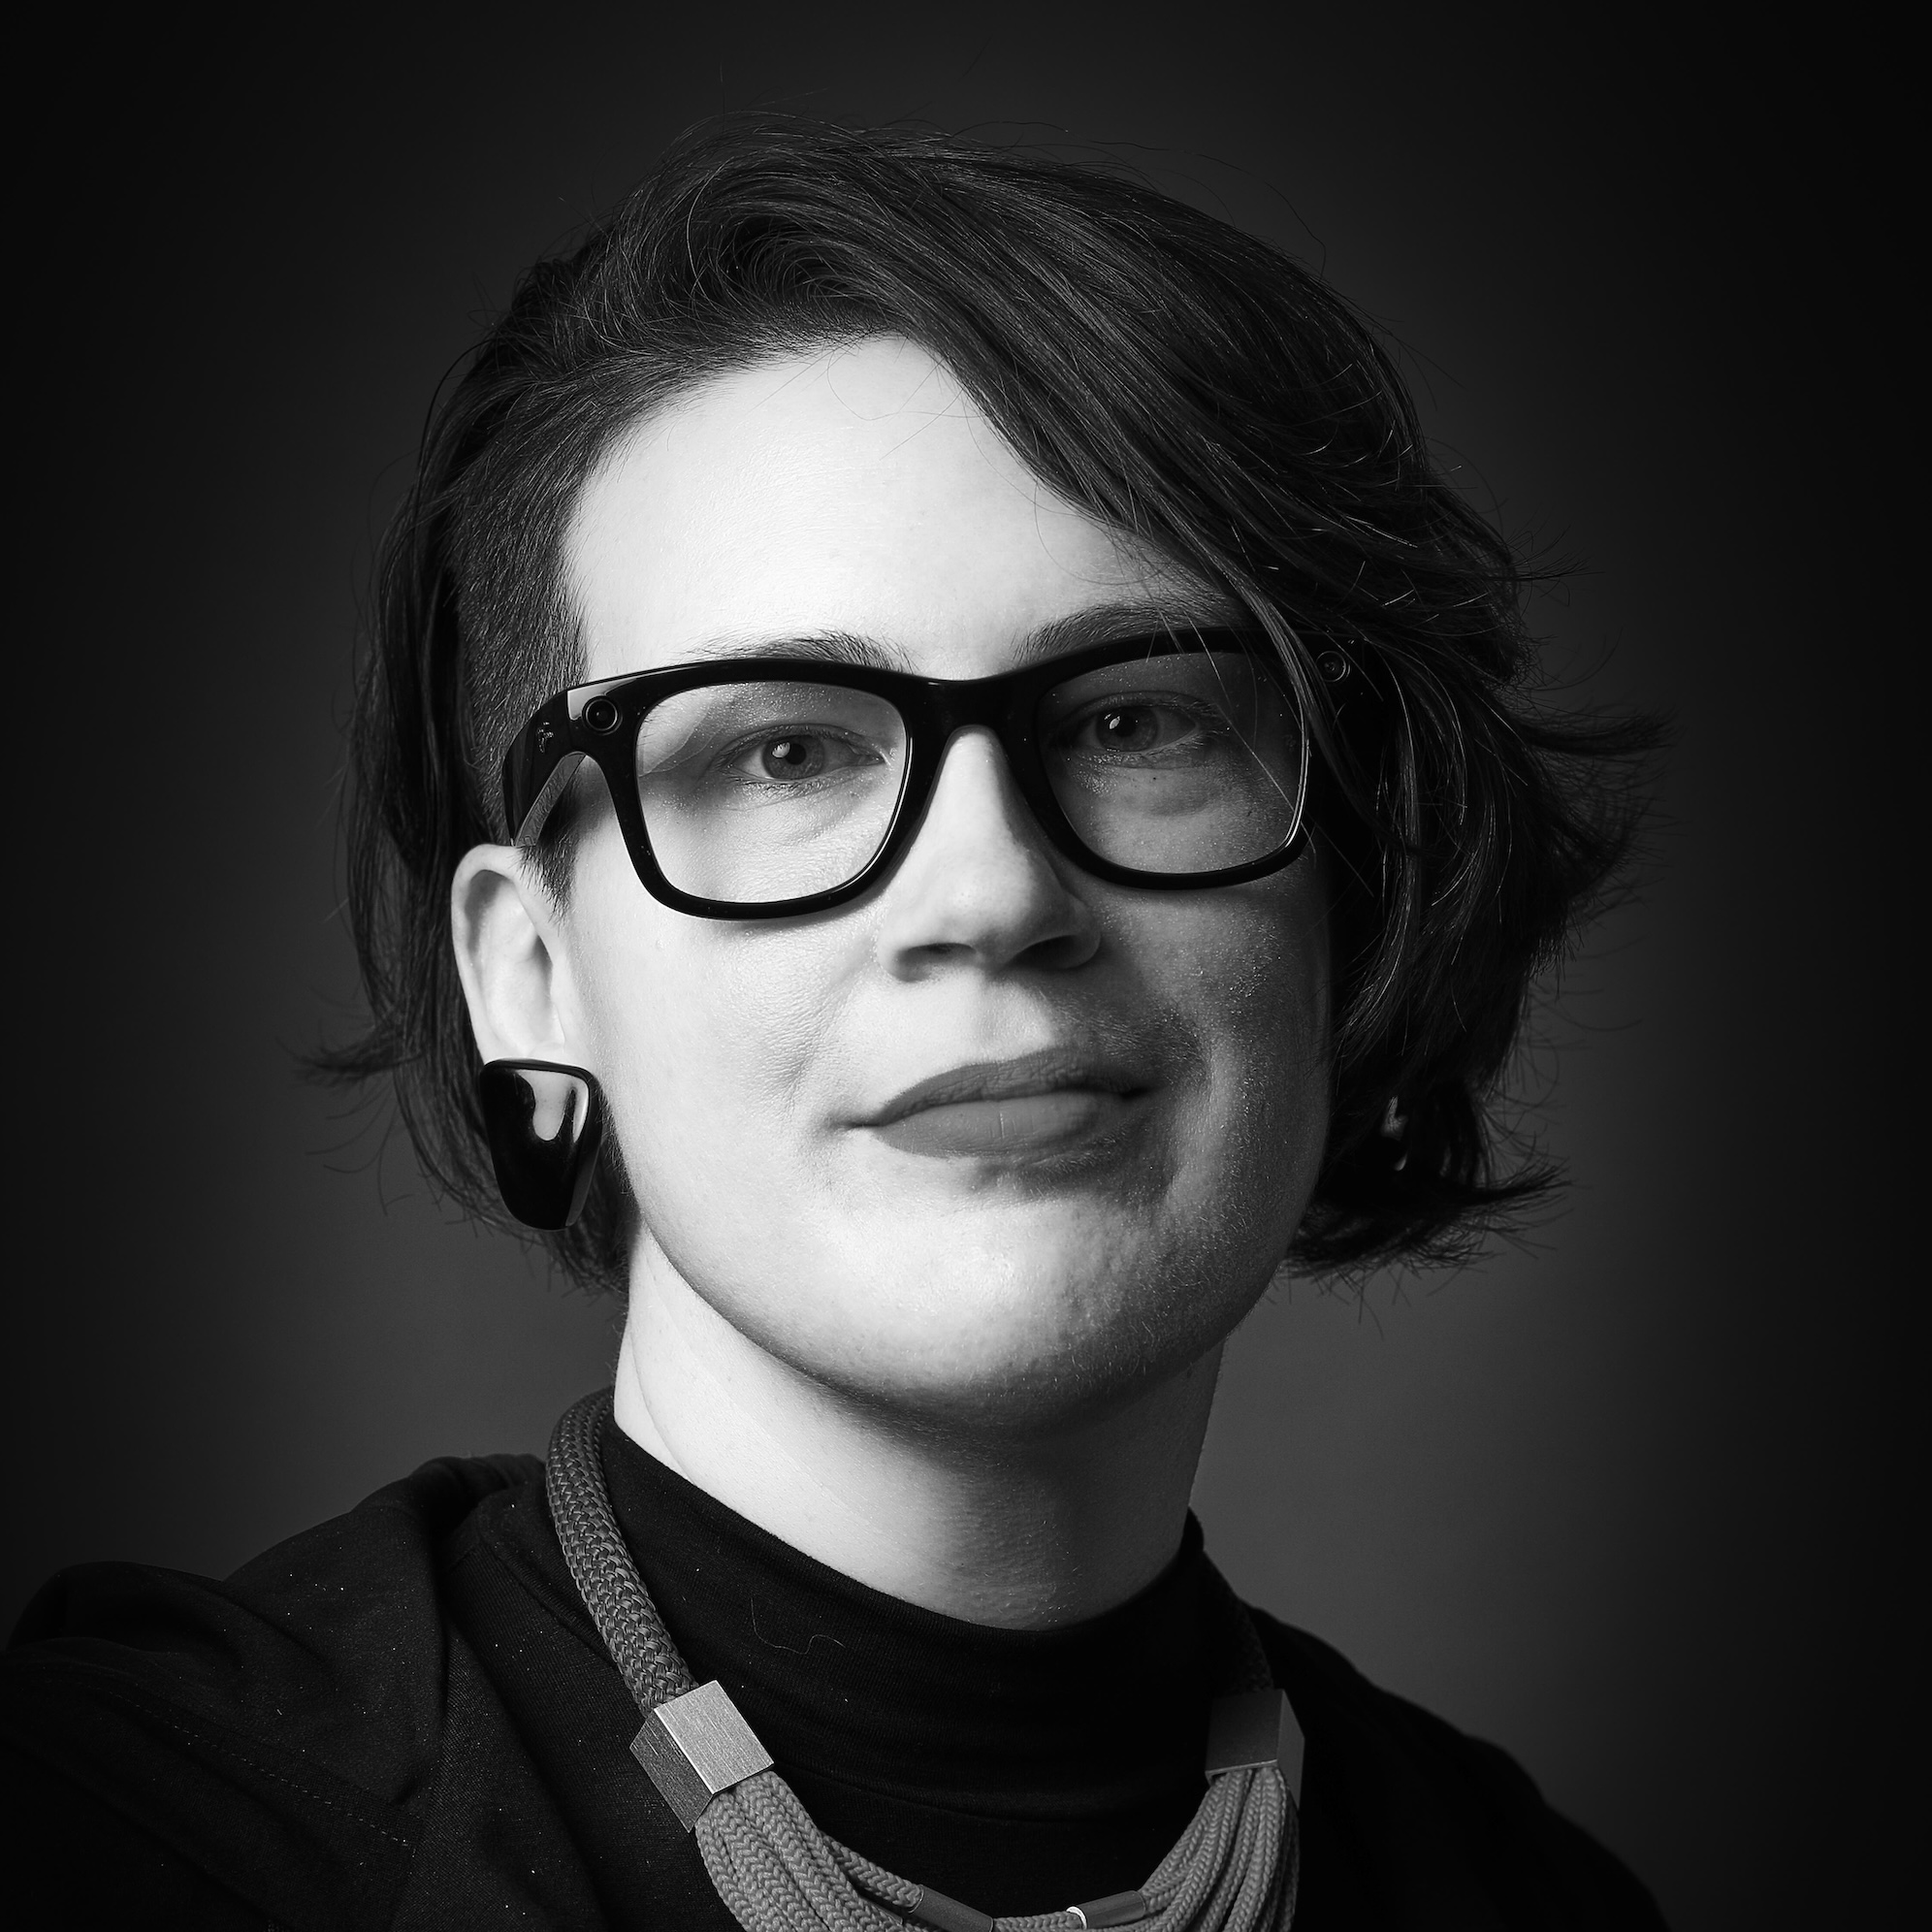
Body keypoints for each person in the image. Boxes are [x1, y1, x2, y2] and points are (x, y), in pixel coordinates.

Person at [0, 118, 1664, 1929]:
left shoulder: (1522, 1895)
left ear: (1344, 888)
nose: (993, 894)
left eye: (1135, 723)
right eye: (782, 749)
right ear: (531, 976)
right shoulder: (129, 1843)